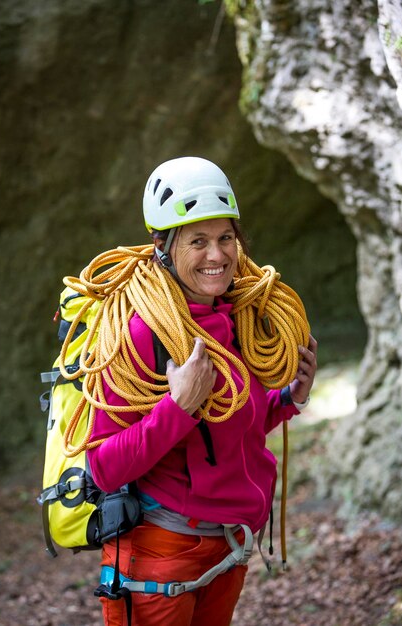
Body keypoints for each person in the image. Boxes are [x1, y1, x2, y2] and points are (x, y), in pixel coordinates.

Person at [87, 156, 318, 626]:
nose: (217, 255)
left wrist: (287, 399)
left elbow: (230, 426)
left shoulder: (238, 317)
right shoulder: (141, 333)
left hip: (229, 543)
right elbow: (104, 468)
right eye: (198, 241)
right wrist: (178, 407)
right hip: (159, 553)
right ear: (164, 247)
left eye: (225, 238)